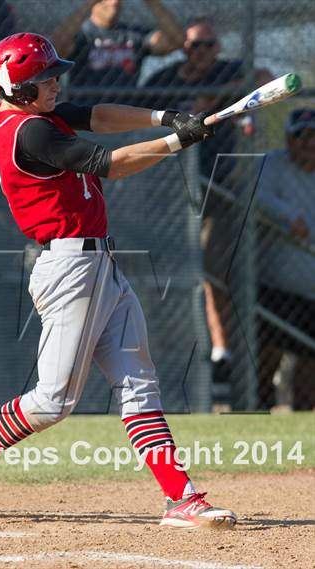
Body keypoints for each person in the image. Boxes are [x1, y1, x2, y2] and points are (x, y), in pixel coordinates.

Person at [0, 33, 236, 529]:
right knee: (52, 401)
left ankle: (181, 498)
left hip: (98, 264)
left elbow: (99, 115)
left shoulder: (23, 113)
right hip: (68, 270)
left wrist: (166, 118)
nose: (57, 83)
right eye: (46, 79)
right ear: (21, 91)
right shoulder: (31, 134)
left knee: (138, 384)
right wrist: (178, 142)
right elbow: (112, 165)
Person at [145, 17, 272, 384]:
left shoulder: (230, 70)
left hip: (217, 189)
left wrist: (215, 98)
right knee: (163, 273)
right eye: (195, 46)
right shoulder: (163, 81)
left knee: (212, 269)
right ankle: (164, 350)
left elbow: (263, 77)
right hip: (169, 193)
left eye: (209, 45)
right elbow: (135, 112)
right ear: (182, 48)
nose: (203, 53)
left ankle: (221, 349)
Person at [256, 109, 315, 410]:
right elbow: (258, 196)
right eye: (302, 135)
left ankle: (304, 434)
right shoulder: (273, 164)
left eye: (314, 136)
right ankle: (257, 425)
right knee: (265, 360)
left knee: (309, 370)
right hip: (275, 288)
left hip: (311, 294)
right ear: (289, 139)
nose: (309, 143)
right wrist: (290, 217)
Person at [51, 0, 184, 104]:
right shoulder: (82, 35)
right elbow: (56, 46)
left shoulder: (133, 34)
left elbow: (177, 40)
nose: (114, 2)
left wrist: (152, 2)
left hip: (126, 113)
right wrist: (89, 4)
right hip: (86, 112)